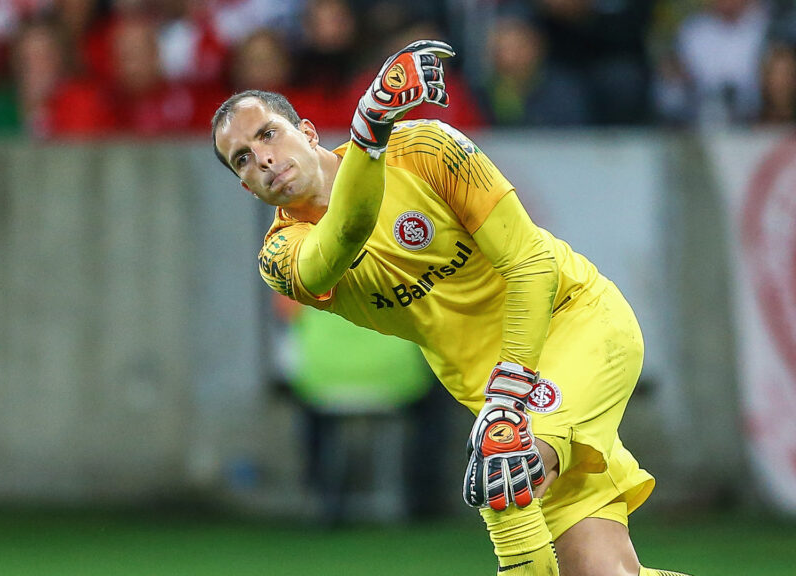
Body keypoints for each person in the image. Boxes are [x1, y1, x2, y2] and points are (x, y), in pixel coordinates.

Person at [211, 40, 693, 576]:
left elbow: (531, 263)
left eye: (267, 134)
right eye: (243, 160)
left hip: (577, 324)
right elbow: (344, 235)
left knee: (502, 458)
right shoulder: (282, 257)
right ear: (245, 187)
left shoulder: (428, 150)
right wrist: (369, 131)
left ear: (304, 129)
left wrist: (511, 387)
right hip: (502, 394)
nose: (264, 160)